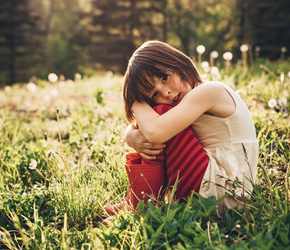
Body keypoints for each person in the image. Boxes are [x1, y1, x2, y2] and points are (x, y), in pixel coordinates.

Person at [104, 40, 258, 218]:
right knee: (157, 118)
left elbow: (156, 131)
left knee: (160, 114)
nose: (166, 92)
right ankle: (137, 201)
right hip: (223, 191)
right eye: (155, 94)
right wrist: (130, 135)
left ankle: (141, 206)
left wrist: (136, 103)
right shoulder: (197, 94)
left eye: (164, 78)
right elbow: (154, 128)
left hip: (222, 194)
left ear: (177, 62)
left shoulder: (208, 91)